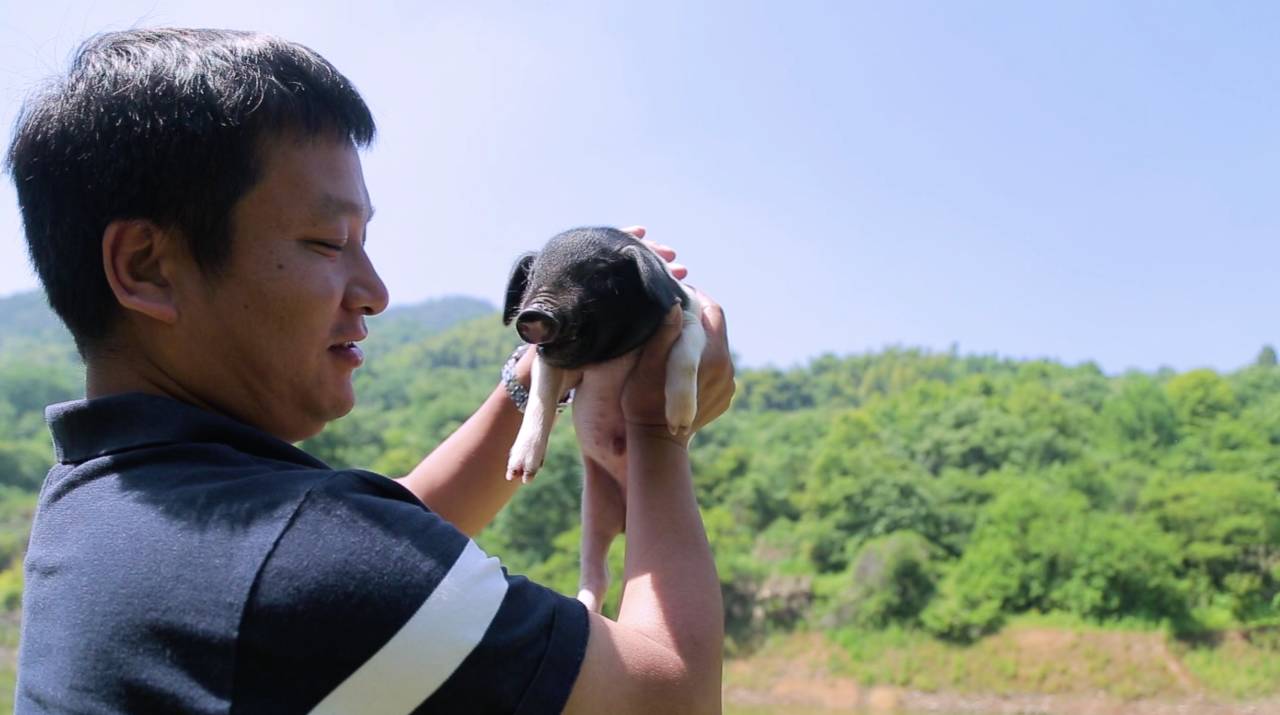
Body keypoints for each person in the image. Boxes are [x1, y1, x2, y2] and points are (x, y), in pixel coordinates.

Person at [5, 28, 734, 714]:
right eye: (329, 242)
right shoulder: (298, 567)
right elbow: (671, 694)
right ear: (147, 266)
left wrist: (542, 366)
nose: (376, 292)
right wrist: (653, 424)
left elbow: (382, 531)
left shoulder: (96, 504)